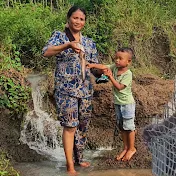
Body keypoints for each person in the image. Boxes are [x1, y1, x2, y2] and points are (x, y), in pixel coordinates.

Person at [42, 5, 98, 175]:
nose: (78, 21)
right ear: (68, 19)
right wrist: (67, 45)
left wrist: (103, 71)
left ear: (85, 22)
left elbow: (94, 66)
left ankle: (79, 159)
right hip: (66, 90)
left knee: (82, 126)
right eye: (75, 18)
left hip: (86, 90)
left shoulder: (89, 42)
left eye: (81, 19)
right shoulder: (59, 36)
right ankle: (69, 165)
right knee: (70, 126)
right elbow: (46, 52)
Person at [86, 47, 136, 161]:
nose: (117, 60)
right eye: (116, 58)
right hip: (118, 103)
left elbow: (119, 87)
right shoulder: (114, 67)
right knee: (122, 127)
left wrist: (110, 76)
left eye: (120, 58)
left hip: (127, 104)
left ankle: (132, 148)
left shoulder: (128, 74)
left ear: (128, 61)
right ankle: (125, 147)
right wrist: (92, 65)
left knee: (129, 127)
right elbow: (104, 66)